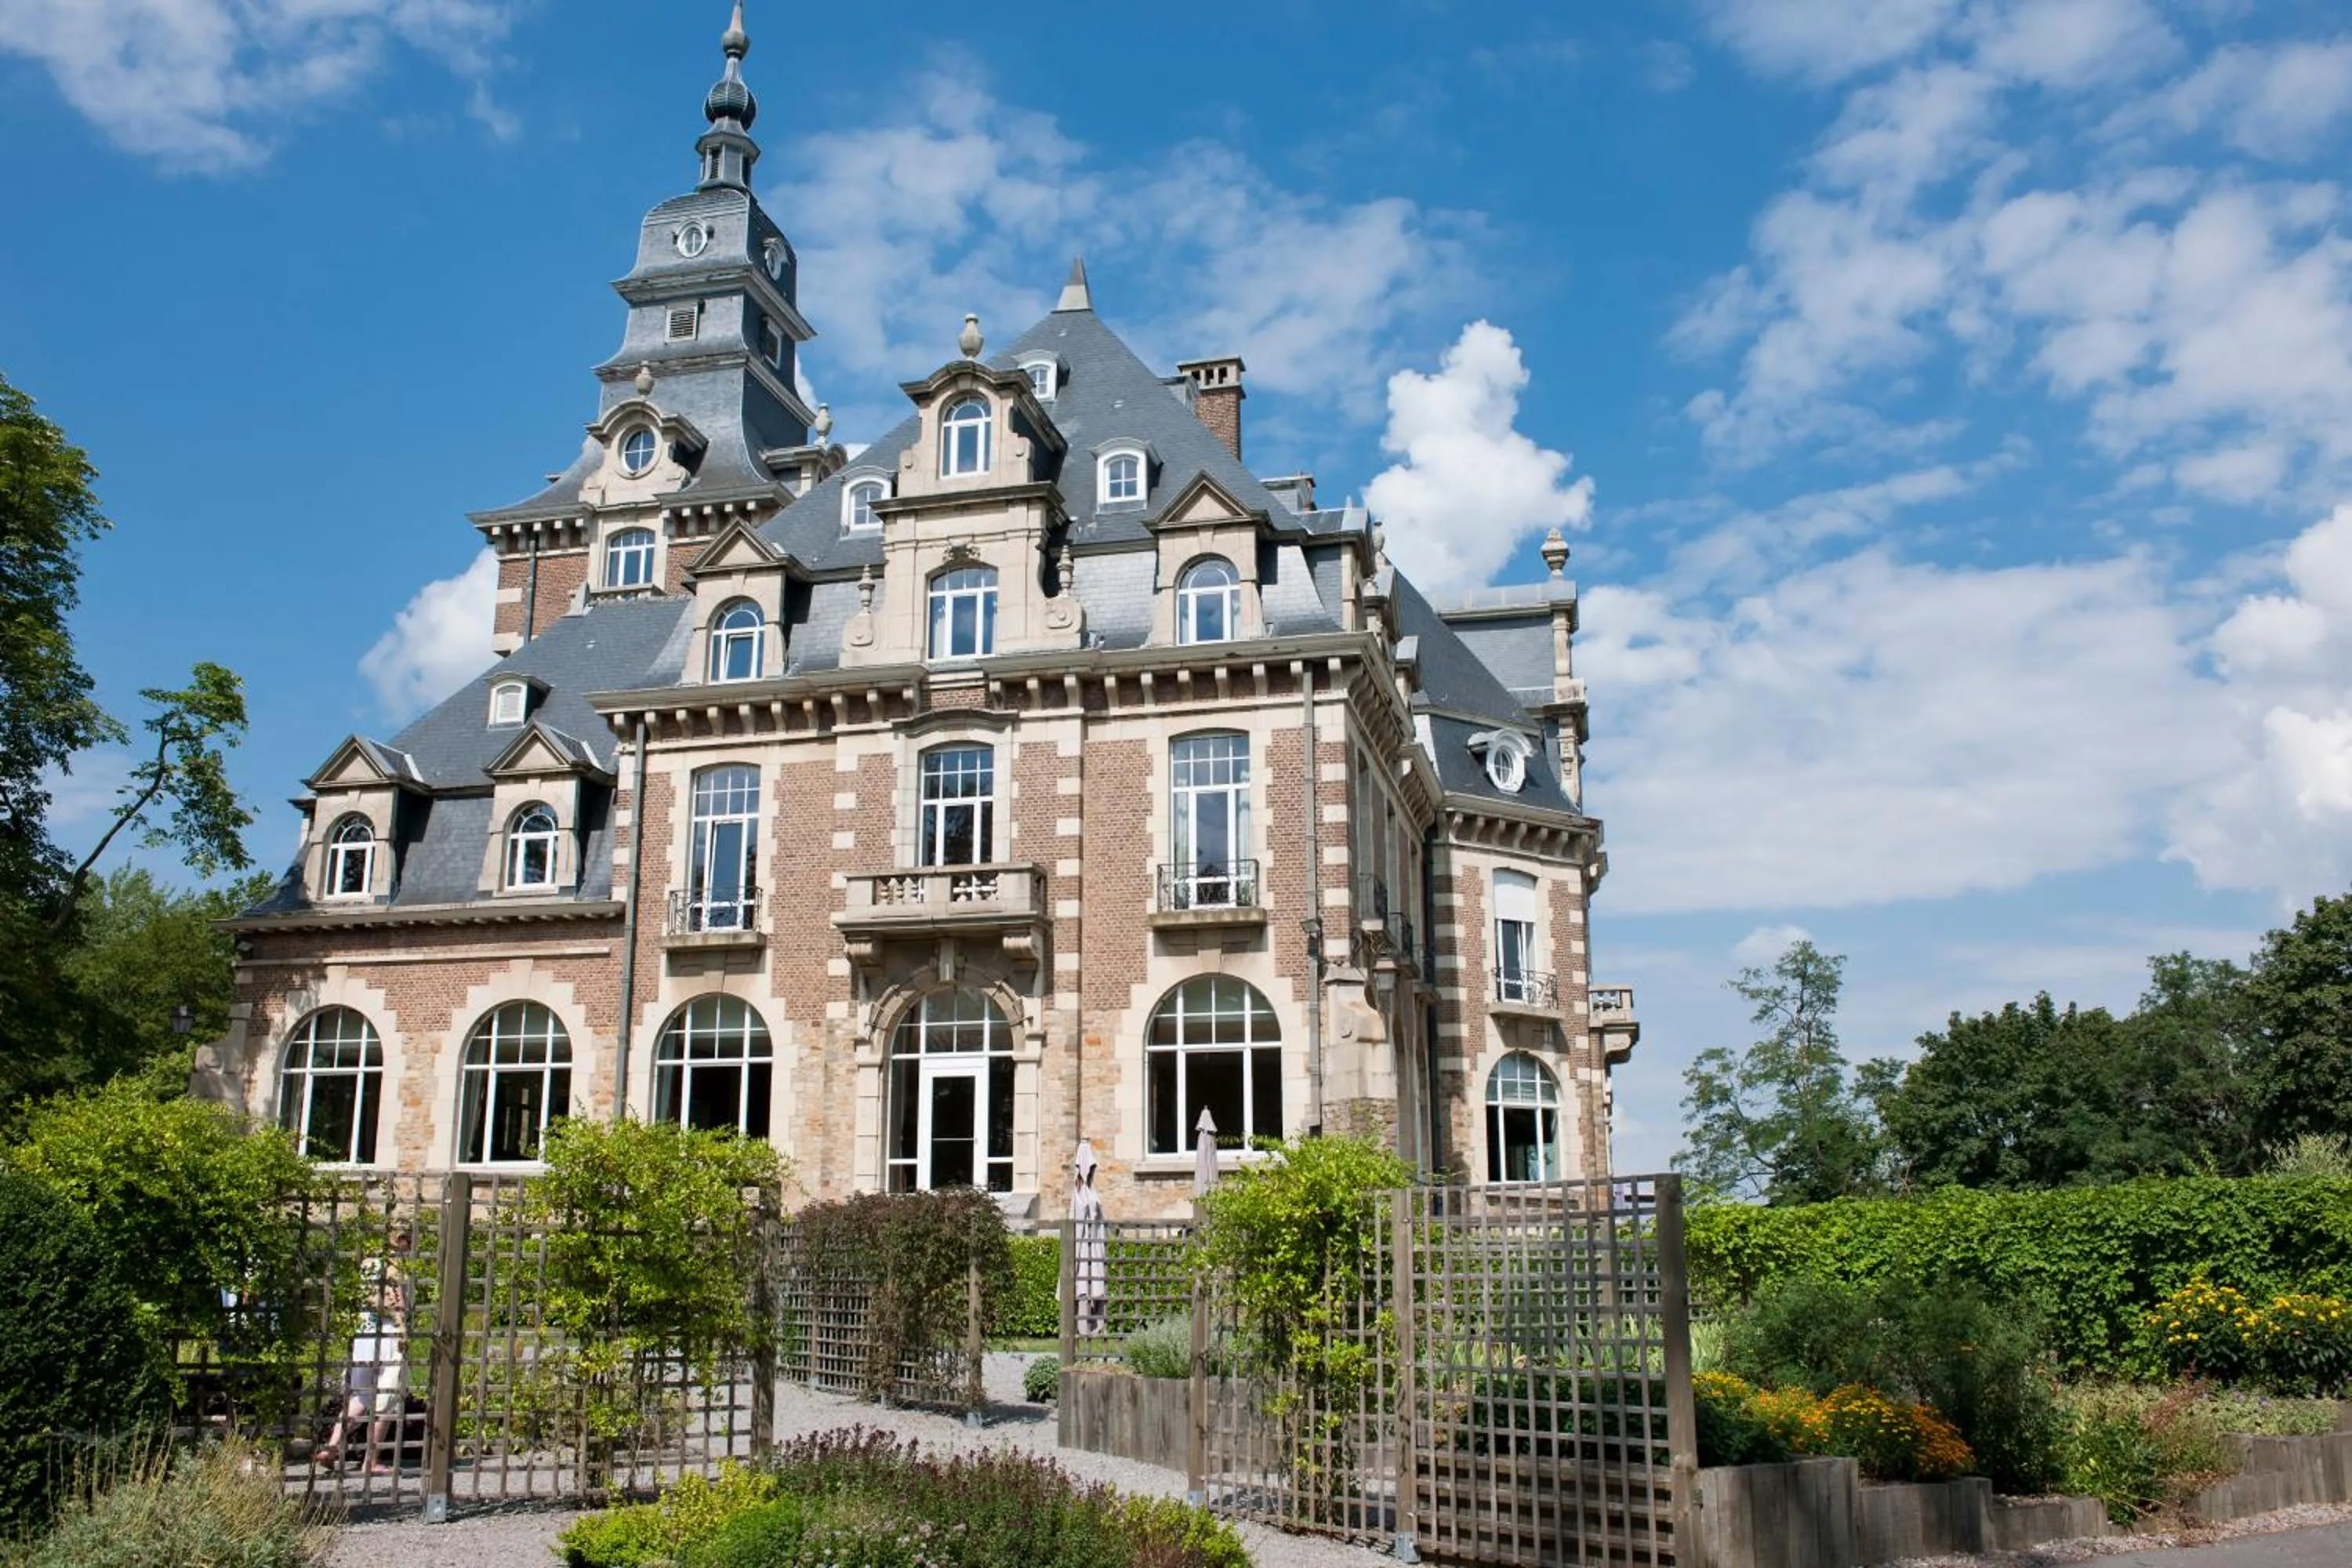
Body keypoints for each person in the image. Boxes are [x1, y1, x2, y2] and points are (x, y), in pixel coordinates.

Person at [320, 1229, 413, 1474]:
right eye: (408, 1239)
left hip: (364, 1337)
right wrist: (402, 1323)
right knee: (388, 1399)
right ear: (400, 1240)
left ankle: (331, 1447)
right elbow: (396, 1301)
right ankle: (370, 1461)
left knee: (359, 1398)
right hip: (389, 1337)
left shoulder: (367, 1264)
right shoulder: (395, 1266)